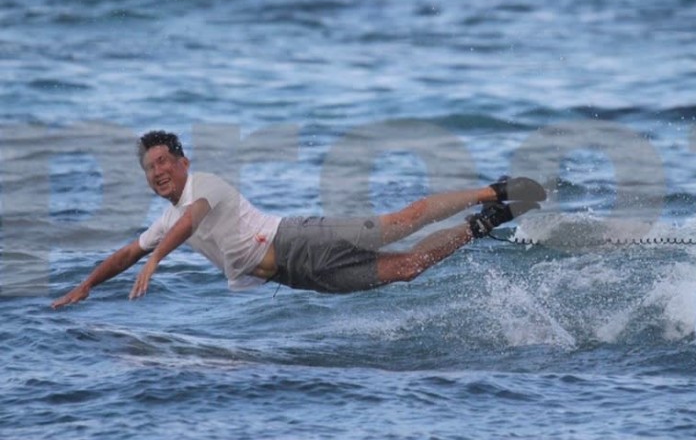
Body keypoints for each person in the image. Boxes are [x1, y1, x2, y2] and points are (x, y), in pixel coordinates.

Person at [51, 130, 545, 308]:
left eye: (163, 162)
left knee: (399, 224)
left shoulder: (204, 187)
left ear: (182, 162)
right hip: (293, 275)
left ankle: (495, 189)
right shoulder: (163, 222)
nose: (157, 172)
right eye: (149, 168)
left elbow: (190, 222)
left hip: (296, 241)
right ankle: (488, 221)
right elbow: (125, 253)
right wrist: (89, 284)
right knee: (407, 269)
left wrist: (156, 262)